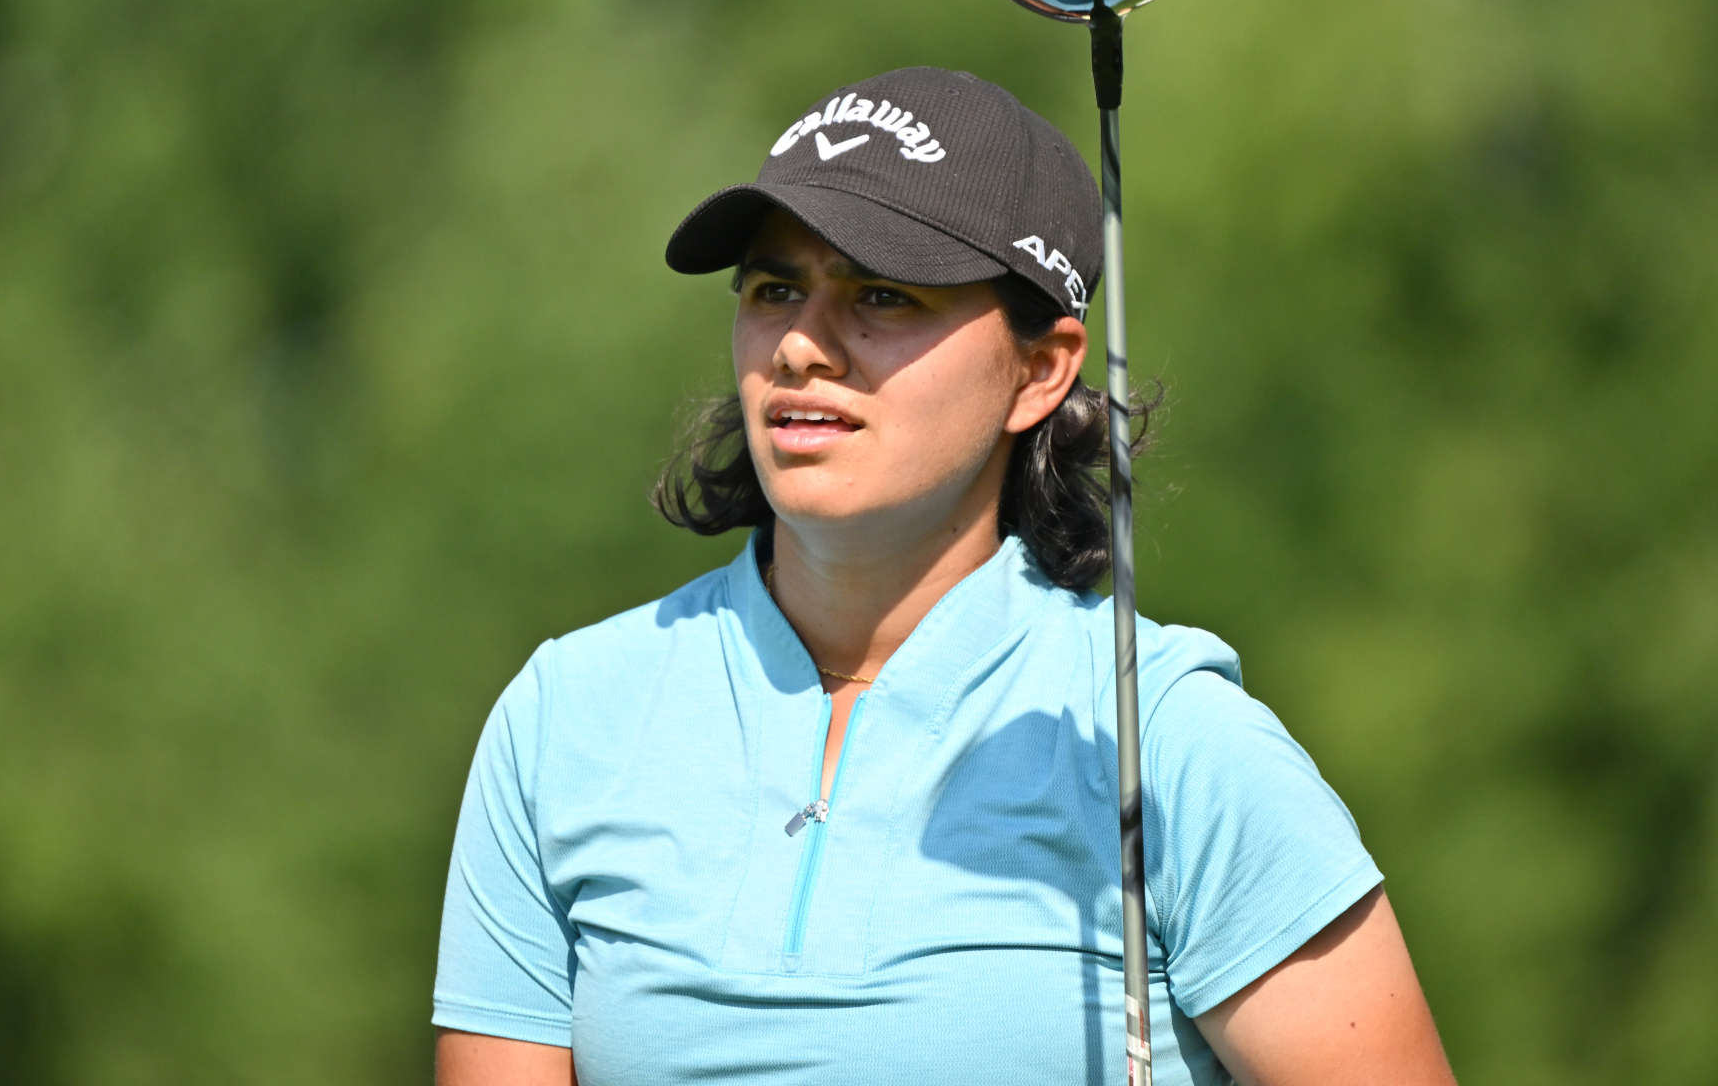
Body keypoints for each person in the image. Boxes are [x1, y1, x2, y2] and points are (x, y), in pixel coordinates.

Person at [431, 67, 1455, 1085]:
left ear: (1041, 370)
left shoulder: (1167, 739)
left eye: (883, 294)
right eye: (774, 289)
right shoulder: (565, 717)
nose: (799, 345)